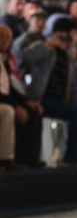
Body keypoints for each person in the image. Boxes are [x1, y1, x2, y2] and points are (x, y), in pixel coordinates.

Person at [23, 18, 77, 164]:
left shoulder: (71, 60)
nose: (73, 38)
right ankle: (71, 156)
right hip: (41, 99)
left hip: (60, 102)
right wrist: (49, 44)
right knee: (76, 112)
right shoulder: (44, 48)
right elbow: (25, 58)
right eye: (71, 34)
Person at [0, 25, 44, 170]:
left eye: (8, 37)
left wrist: (26, 102)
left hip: (5, 98)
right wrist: (15, 105)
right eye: (1, 36)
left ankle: (28, 157)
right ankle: (6, 158)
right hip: (2, 102)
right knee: (9, 111)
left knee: (33, 112)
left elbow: (8, 89)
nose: (5, 40)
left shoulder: (5, 60)